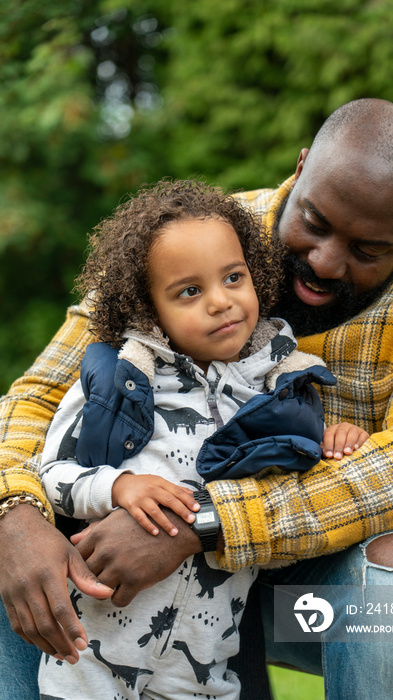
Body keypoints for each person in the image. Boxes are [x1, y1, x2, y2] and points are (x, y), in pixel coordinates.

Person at [1, 98, 393, 700]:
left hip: (306, 597)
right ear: (299, 170)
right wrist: (15, 511)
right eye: (315, 223)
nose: (325, 262)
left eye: (368, 250)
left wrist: (202, 523)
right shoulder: (197, 243)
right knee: (18, 559)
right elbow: (40, 392)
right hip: (129, 567)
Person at [37, 179, 366, 699]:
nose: (221, 302)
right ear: (148, 309)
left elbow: (281, 544)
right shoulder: (119, 379)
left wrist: (331, 442)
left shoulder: (286, 393)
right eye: (190, 291)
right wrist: (119, 487)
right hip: (91, 656)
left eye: (234, 277)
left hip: (204, 667)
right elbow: (53, 476)